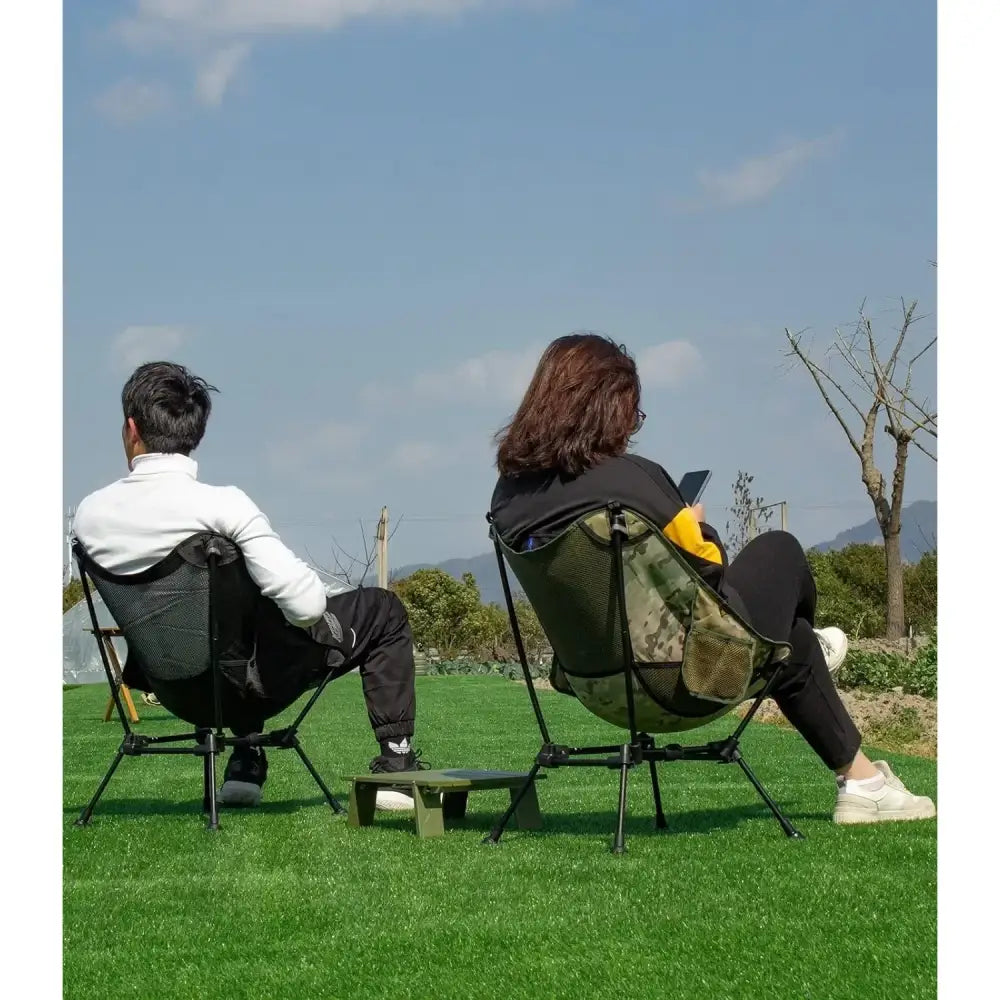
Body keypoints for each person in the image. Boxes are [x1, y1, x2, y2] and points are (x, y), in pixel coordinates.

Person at [489, 333, 935, 826]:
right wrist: (696, 523)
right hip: (688, 681)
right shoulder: (630, 480)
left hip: (595, 688)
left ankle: (862, 778)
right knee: (779, 551)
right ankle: (796, 661)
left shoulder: (506, 499)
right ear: (606, 409)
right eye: (630, 415)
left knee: (795, 639)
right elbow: (710, 572)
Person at [73, 362, 426, 811]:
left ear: (130, 428)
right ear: (195, 433)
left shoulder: (90, 516)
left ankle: (245, 763)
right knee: (383, 609)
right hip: (247, 688)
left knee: (234, 617)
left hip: (174, 691)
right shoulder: (222, 506)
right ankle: (397, 768)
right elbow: (307, 605)